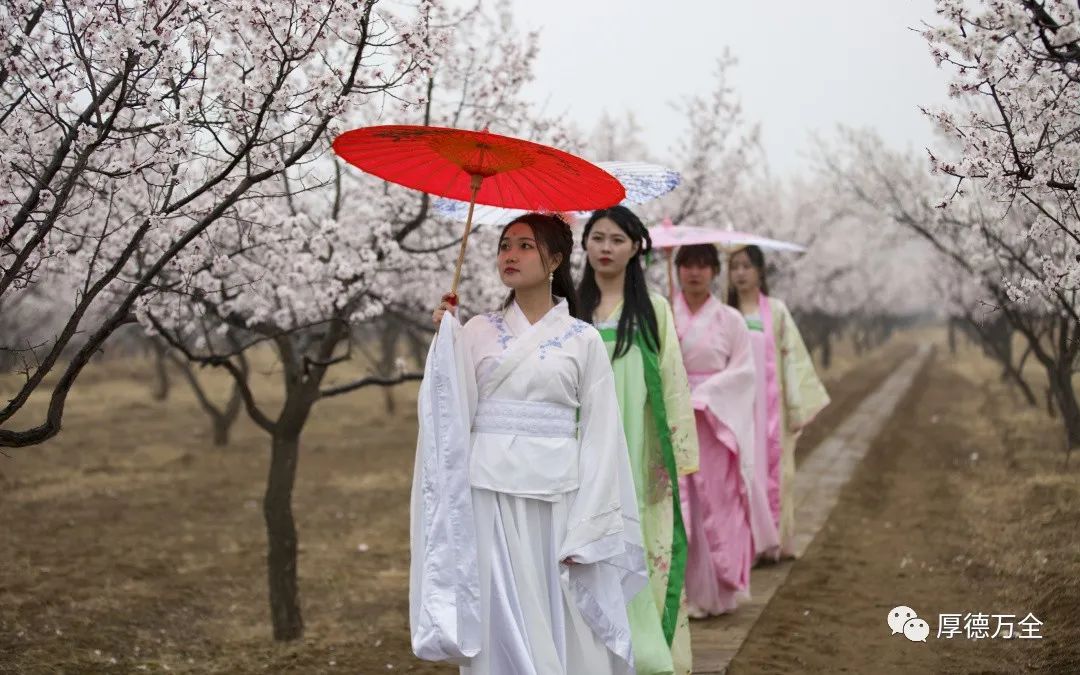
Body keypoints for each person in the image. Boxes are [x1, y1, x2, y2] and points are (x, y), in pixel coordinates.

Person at [411, 213, 648, 675]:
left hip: (557, 497)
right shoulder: (476, 330)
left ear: (556, 259)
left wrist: (592, 522)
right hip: (488, 495)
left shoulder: (583, 339)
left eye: (524, 245)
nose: (510, 255)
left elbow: (602, 434)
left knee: (556, 607)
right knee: (500, 613)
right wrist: (445, 342)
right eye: (504, 245)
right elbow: (449, 411)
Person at [578, 205, 699, 675]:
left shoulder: (654, 311)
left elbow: (673, 383)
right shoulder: (567, 308)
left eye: (617, 240)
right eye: (598, 238)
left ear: (635, 249)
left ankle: (643, 651)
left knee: (639, 542)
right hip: (580, 448)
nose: (606, 248)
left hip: (636, 445)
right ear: (584, 244)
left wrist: (675, 455)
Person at [727, 245, 830, 559]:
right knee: (737, 473)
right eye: (734, 267)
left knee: (773, 472)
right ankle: (743, 547)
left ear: (760, 271)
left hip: (769, 408)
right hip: (734, 408)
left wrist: (795, 406)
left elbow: (792, 359)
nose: (740, 273)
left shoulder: (776, 311)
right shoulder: (724, 313)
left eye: (746, 266)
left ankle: (772, 541)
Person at [671, 243, 756, 616]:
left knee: (716, 501)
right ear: (677, 269)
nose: (694, 272)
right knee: (677, 500)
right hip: (674, 418)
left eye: (703, 265)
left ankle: (715, 591)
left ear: (714, 272)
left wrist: (704, 395)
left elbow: (744, 372)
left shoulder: (731, 321)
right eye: (687, 264)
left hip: (714, 423)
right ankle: (679, 592)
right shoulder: (662, 314)